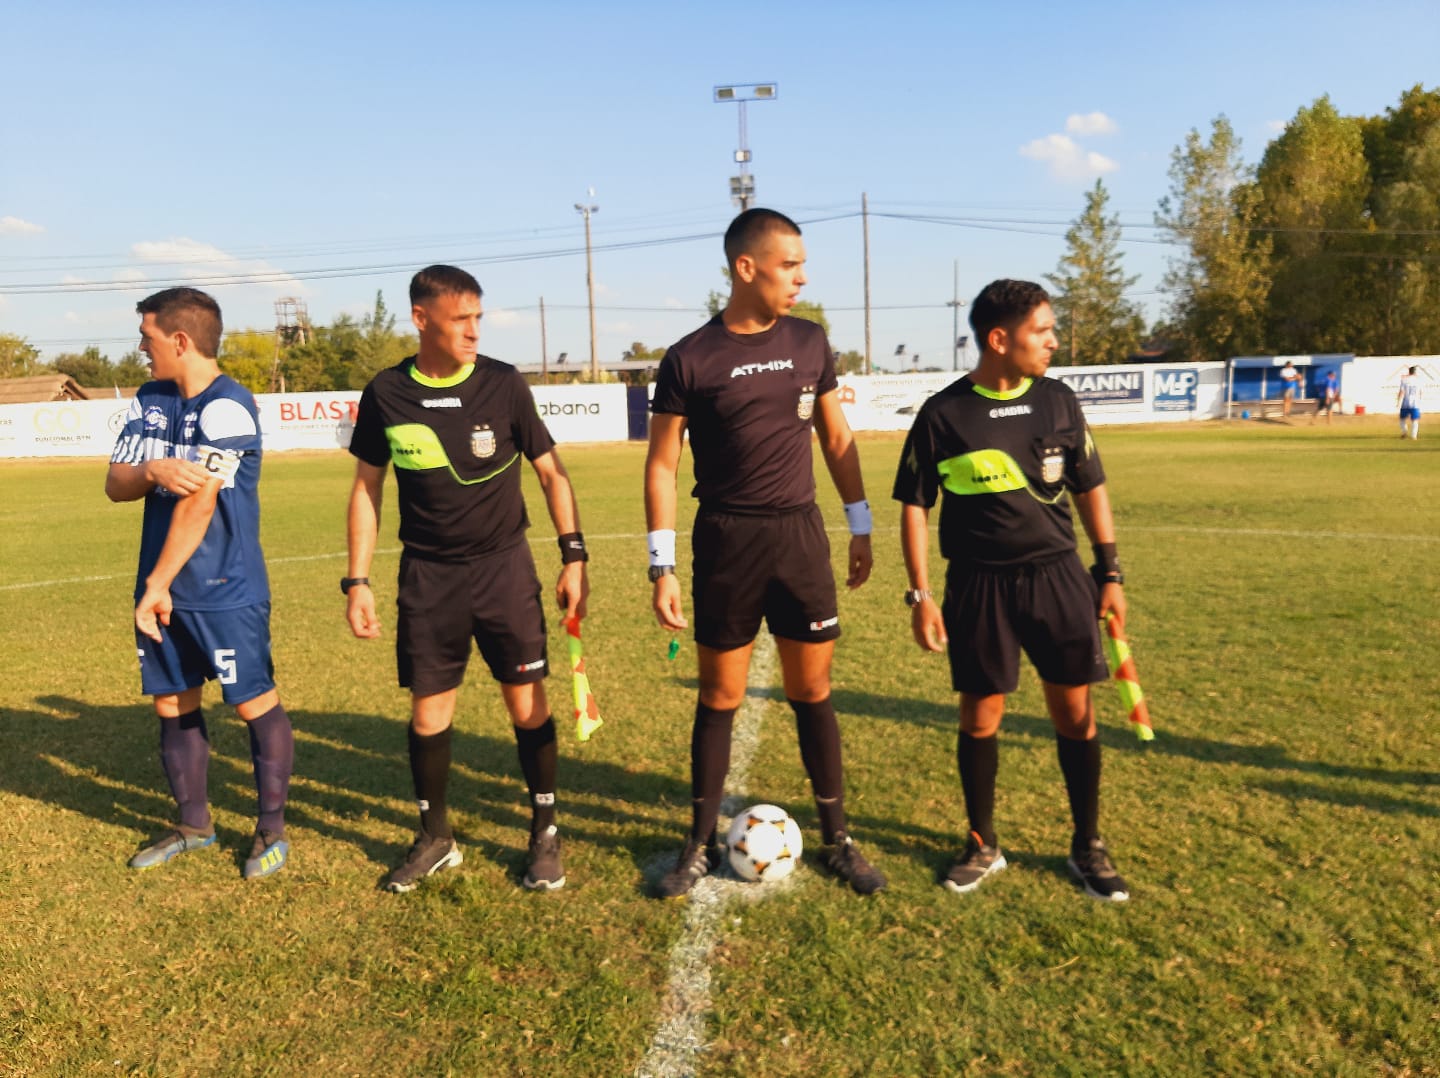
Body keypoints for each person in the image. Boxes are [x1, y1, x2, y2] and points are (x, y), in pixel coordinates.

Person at [645, 208, 886, 899]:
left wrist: (860, 524)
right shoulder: (690, 357)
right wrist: (662, 565)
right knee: (721, 695)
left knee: (813, 691)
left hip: (799, 538)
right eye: (789, 265)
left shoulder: (810, 342)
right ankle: (697, 844)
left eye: (802, 265)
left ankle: (838, 839)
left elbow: (836, 438)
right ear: (746, 268)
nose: (801, 277)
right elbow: (662, 464)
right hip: (727, 541)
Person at [346, 264, 588, 894]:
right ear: (421, 319)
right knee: (429, 713)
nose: (474, 330)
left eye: (478, 317)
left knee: (527, 704)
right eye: (461, 319)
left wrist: (574, 555)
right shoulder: (386, 392)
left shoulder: (503, 383)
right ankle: (436, 838)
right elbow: (367, 488)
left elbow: (551, 472)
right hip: (428, 578)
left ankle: (545, 832)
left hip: (504, 569)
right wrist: (357, 581)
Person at [892, 278, 1130, 903]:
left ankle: (1087, 844)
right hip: (978, 585)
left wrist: (1109, 572)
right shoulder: (943, 414)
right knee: (981, 715)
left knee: (1075, 713)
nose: (1052, 341)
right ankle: (982, 842)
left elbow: (1090, 486)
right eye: (1041, 330)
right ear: (1000, 339)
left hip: (1058, 578)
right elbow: (915, 506)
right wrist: (921, 596)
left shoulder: (1059, 401)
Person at [106, 287, 293, 879]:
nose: (142, 347)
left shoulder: (229, 407)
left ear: (180, 340)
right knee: (172, 701)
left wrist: (156, 585)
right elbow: (116, 483)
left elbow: (201, 503)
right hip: (163, 586)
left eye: (148, 337)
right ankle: (194, 825)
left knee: (252, 702)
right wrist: (152, 469)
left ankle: (271, 830)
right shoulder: (151, 399)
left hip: (223, 588)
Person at [1398, 365, 1423, 439]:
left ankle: (1404, 432)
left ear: (1409, 371)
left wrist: (1398, 401)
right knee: (1415, 420)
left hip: (1405, 403)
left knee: (1402, 419)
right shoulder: (1419, 380)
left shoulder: (1404, 380)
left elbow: (1401, 392)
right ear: (1415, 372)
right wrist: (1420, 400)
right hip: (1415, 403)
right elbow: (1421, 392)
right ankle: (1414, 436)